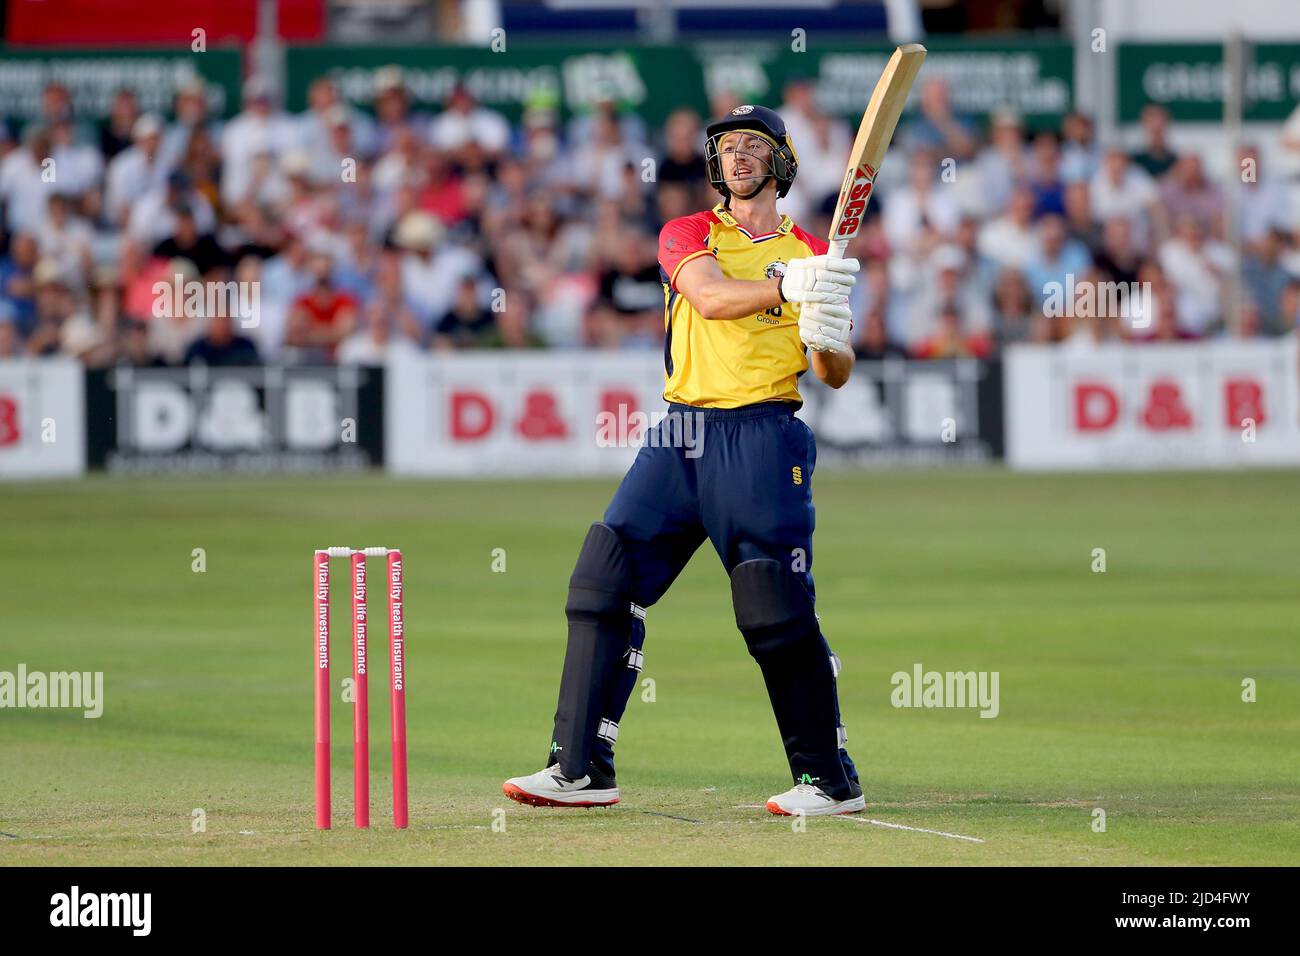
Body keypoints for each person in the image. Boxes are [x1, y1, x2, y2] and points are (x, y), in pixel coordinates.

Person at [503, 104, 866, 817]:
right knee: (601, 581)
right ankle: (580, 768)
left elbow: (834, 372)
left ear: (781, 163)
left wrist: (825, 329)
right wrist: (786, 287)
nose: (736, 157)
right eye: (727, 147)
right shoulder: (689, 232)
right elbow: (706, 296)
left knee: (771, 604)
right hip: (680, 434)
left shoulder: (816, 255)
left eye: (753, 147)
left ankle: (828, 780)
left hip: (763, 433)